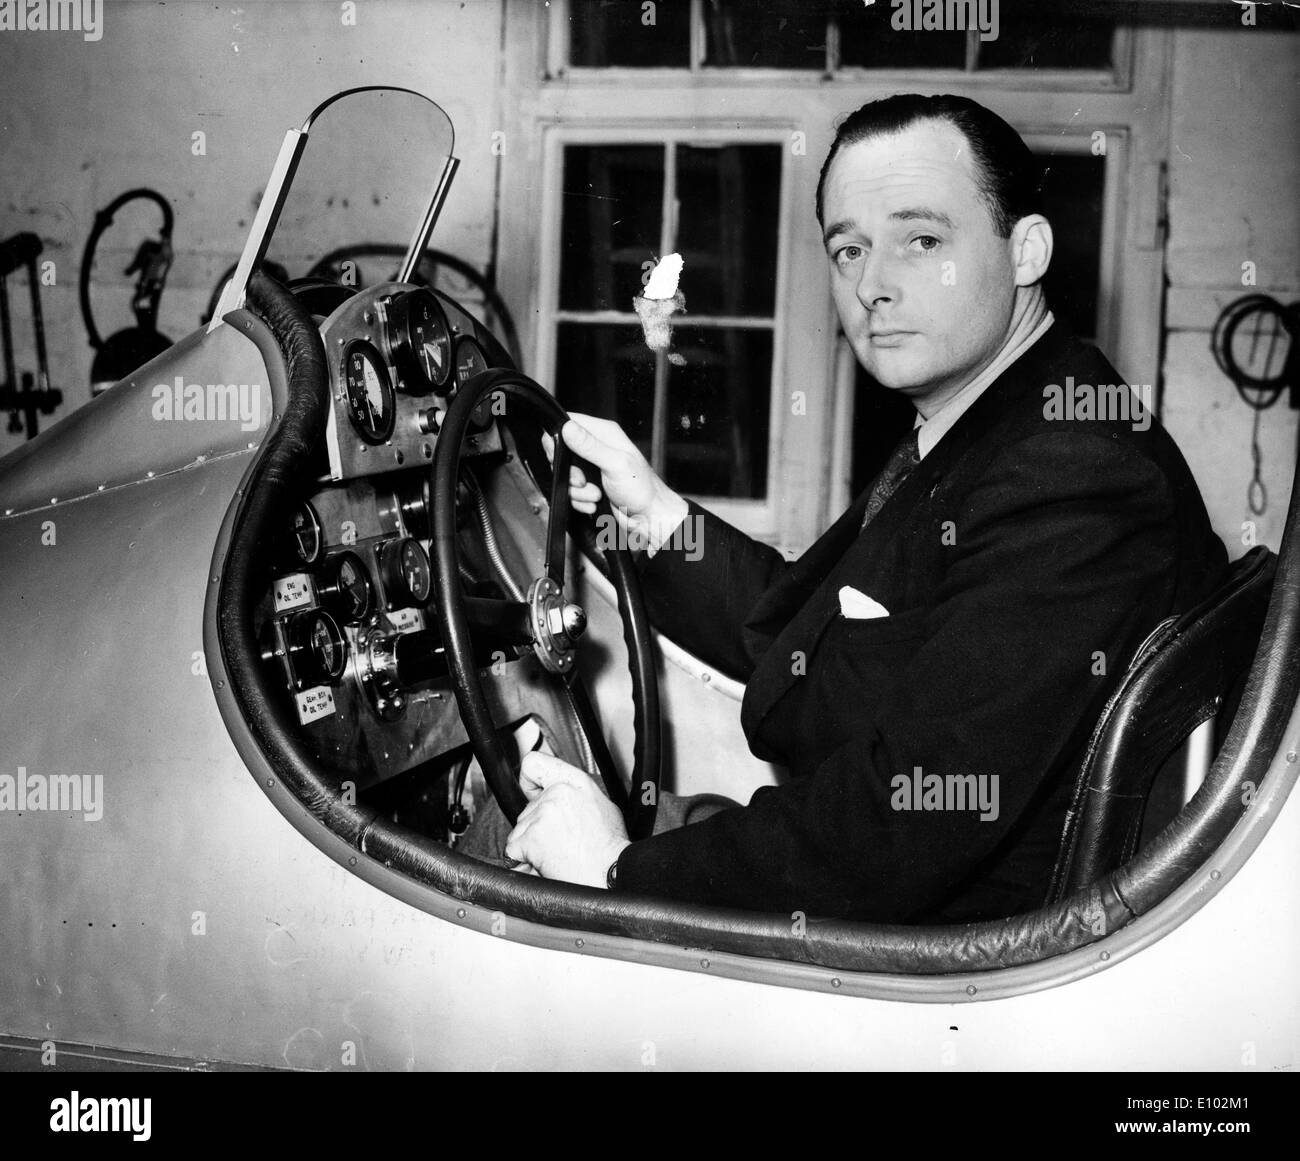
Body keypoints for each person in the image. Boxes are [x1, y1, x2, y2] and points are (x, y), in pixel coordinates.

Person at [501, 93, 1227, 923]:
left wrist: (618, 870)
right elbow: (810, 633)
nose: (873, 286)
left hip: (958, 957)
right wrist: (657, 513)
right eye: (849, 249)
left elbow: (912, 815)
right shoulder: (989, 415)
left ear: (1026, 249)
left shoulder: (1076, 473)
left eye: (922, 241)